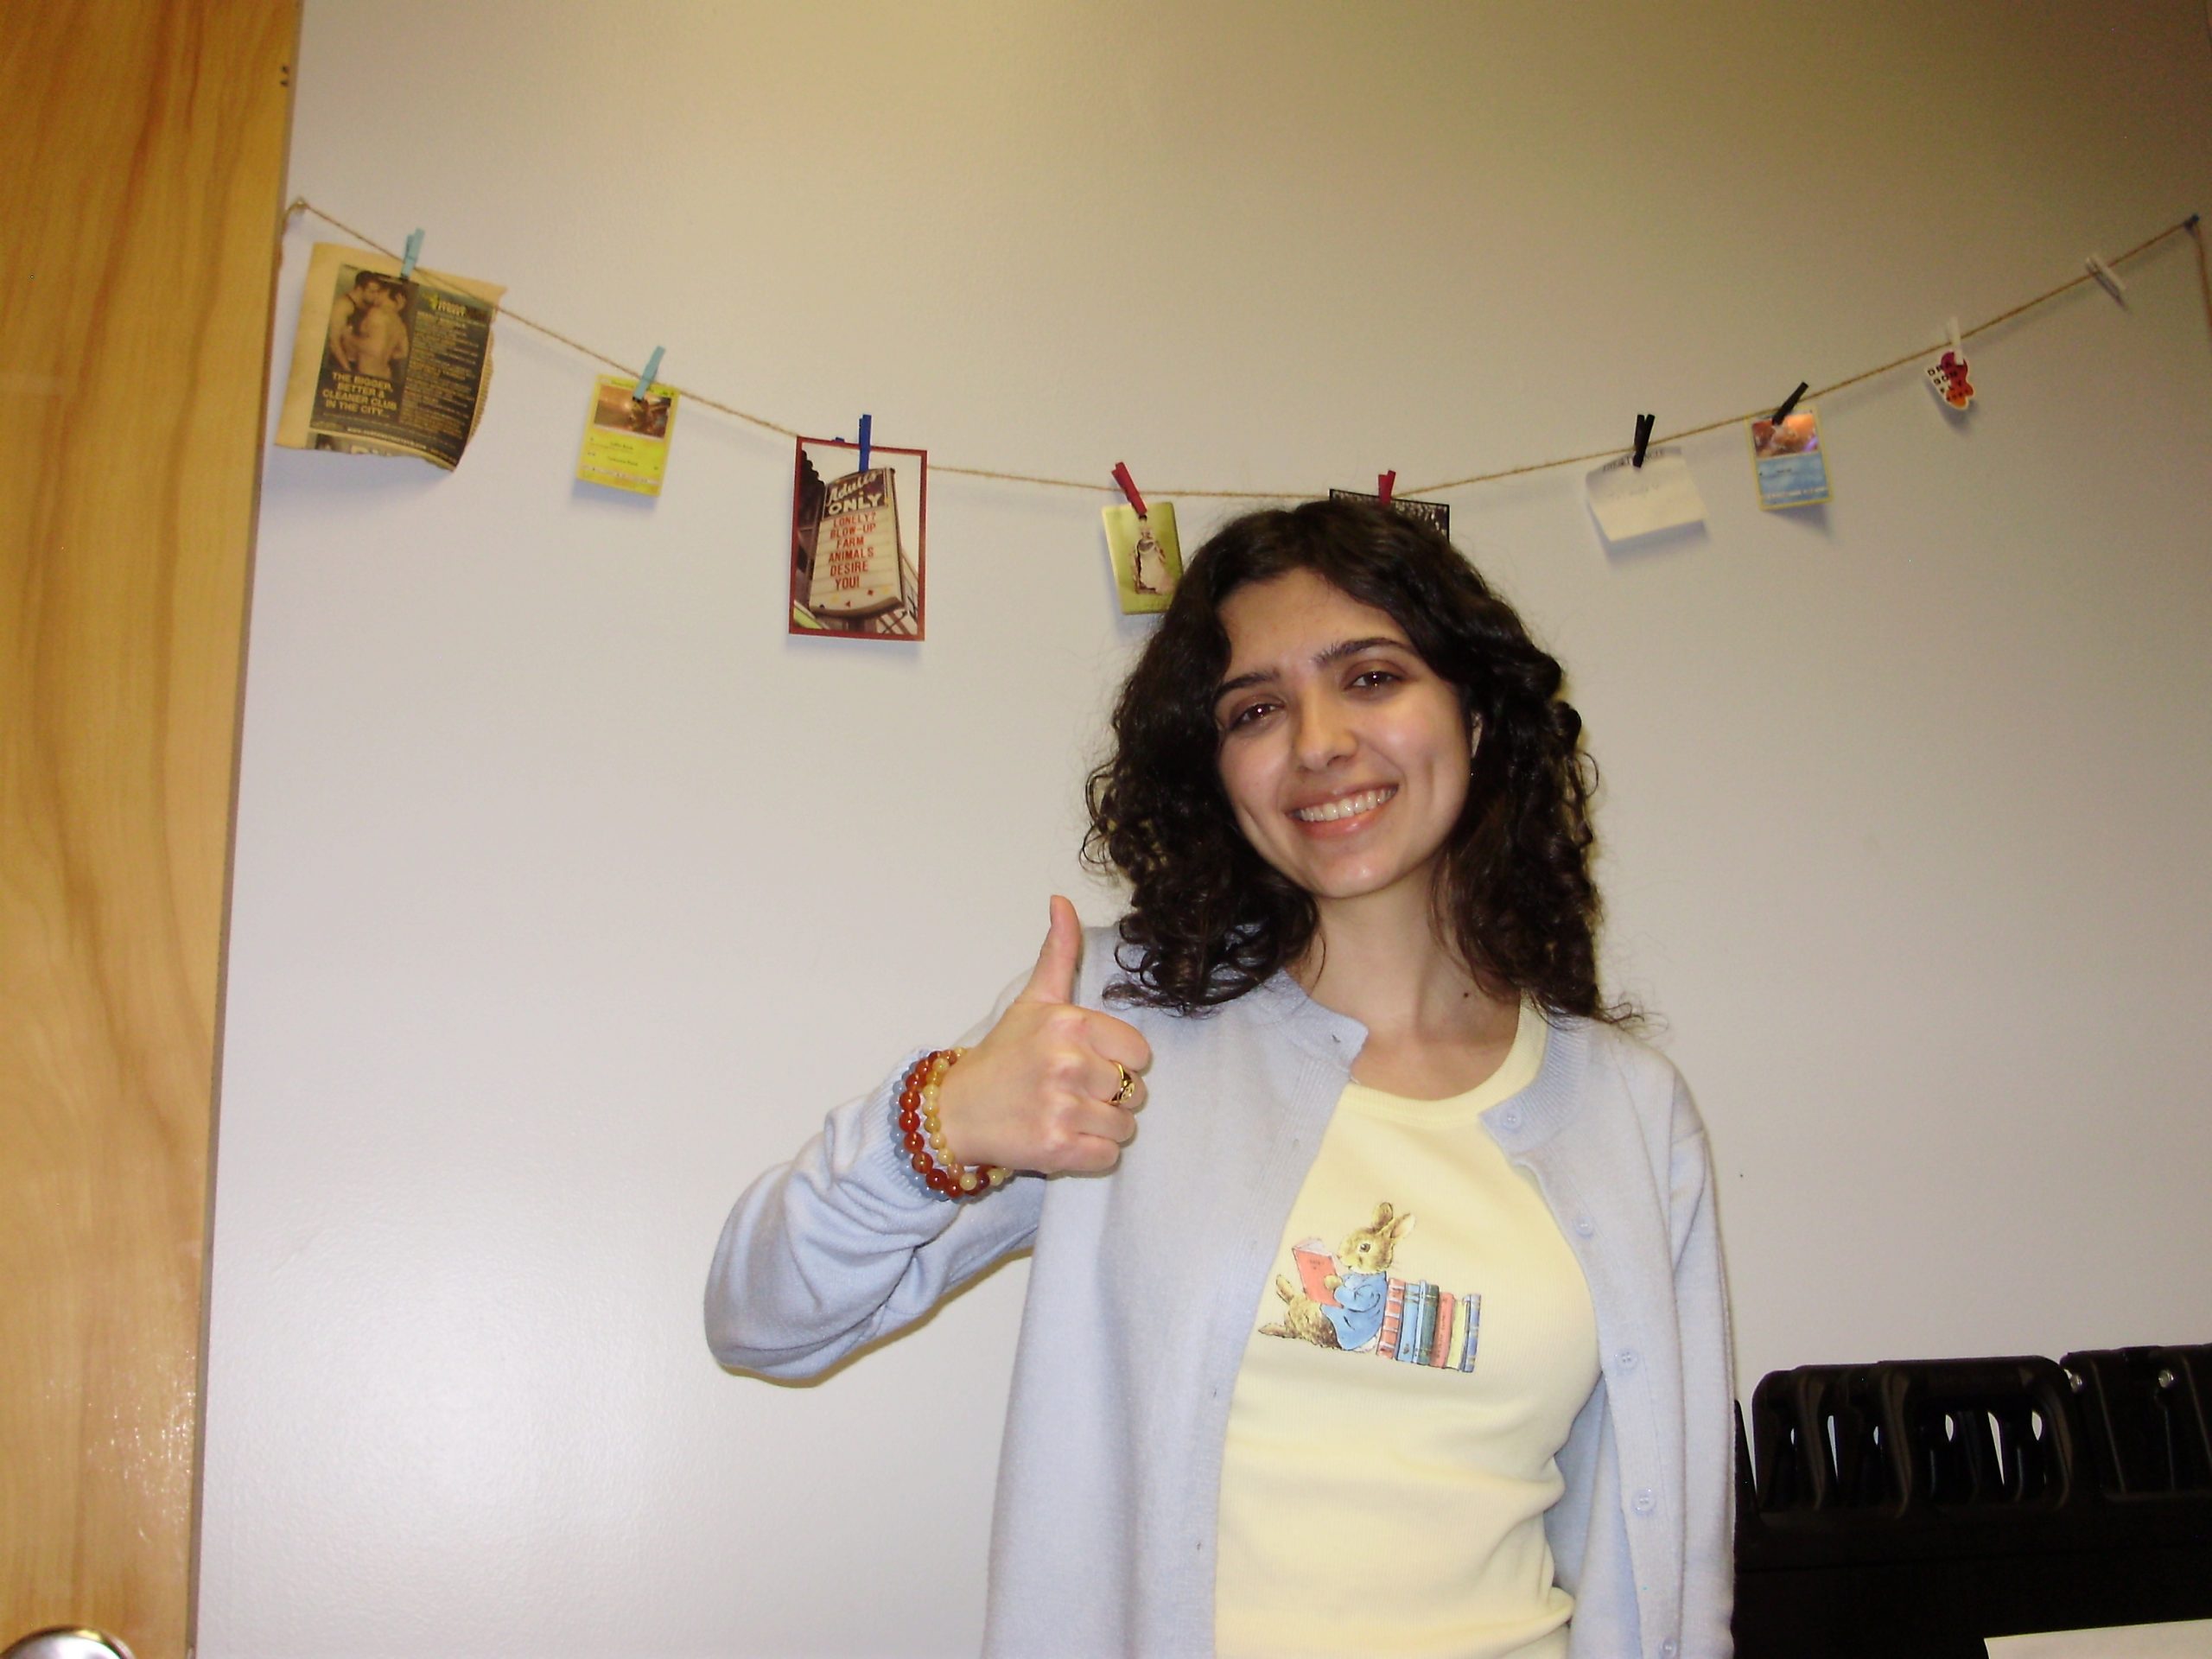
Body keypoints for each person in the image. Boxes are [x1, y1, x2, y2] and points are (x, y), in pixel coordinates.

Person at [706, 498, 1734, 1658]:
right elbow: (761, 1323)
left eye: (1372, 677)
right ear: (1216, 768)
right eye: (1256, 709)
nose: (1319, 742)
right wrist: (939, 1123)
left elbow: (1671, 1565)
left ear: (1478, 715)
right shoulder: (1120, 1031)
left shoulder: (1629, 1112)